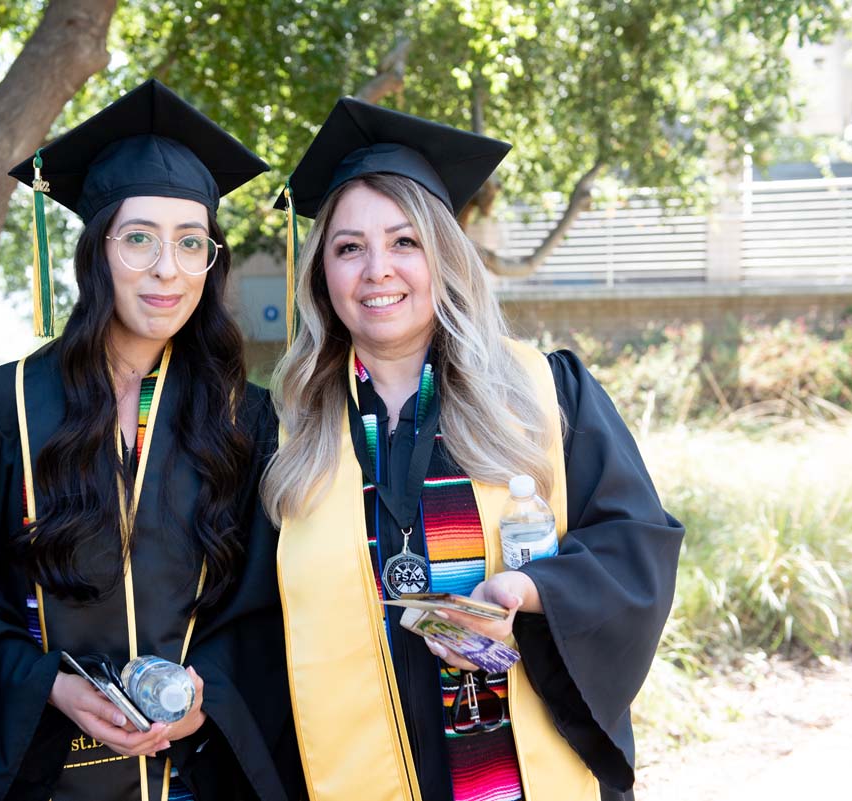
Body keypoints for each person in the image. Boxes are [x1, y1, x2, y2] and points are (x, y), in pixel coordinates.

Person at [0, 80, 300, 801]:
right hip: (48, 778)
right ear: (96, 252)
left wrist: (209, 690)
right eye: (139, 239)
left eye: (191, 243)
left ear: (210, 262)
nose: (167, 269)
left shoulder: (246, 420)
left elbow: (274, 606)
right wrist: (52, 686)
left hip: (195, 776)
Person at [262, 97, 683, 801]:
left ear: (444, 255)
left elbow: (635, 545)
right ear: (320, 274)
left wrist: (530, 589)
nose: (377, 270)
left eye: (405, 242)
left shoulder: (543, 393)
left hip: (517, 773)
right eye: (348, 247)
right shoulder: (288, 432)